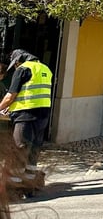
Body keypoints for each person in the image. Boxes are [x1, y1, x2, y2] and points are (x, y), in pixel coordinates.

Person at [0, 49, 53, 193]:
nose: (15, 67)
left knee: (19, 150)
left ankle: (14, 189)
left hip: (25, 116)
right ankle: (30, 187)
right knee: (33, 153)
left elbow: (10, 96)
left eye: (15, 64)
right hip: (42, 116)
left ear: (18, 61)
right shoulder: (45, 69)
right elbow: (32, 93)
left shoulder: (23, 69)